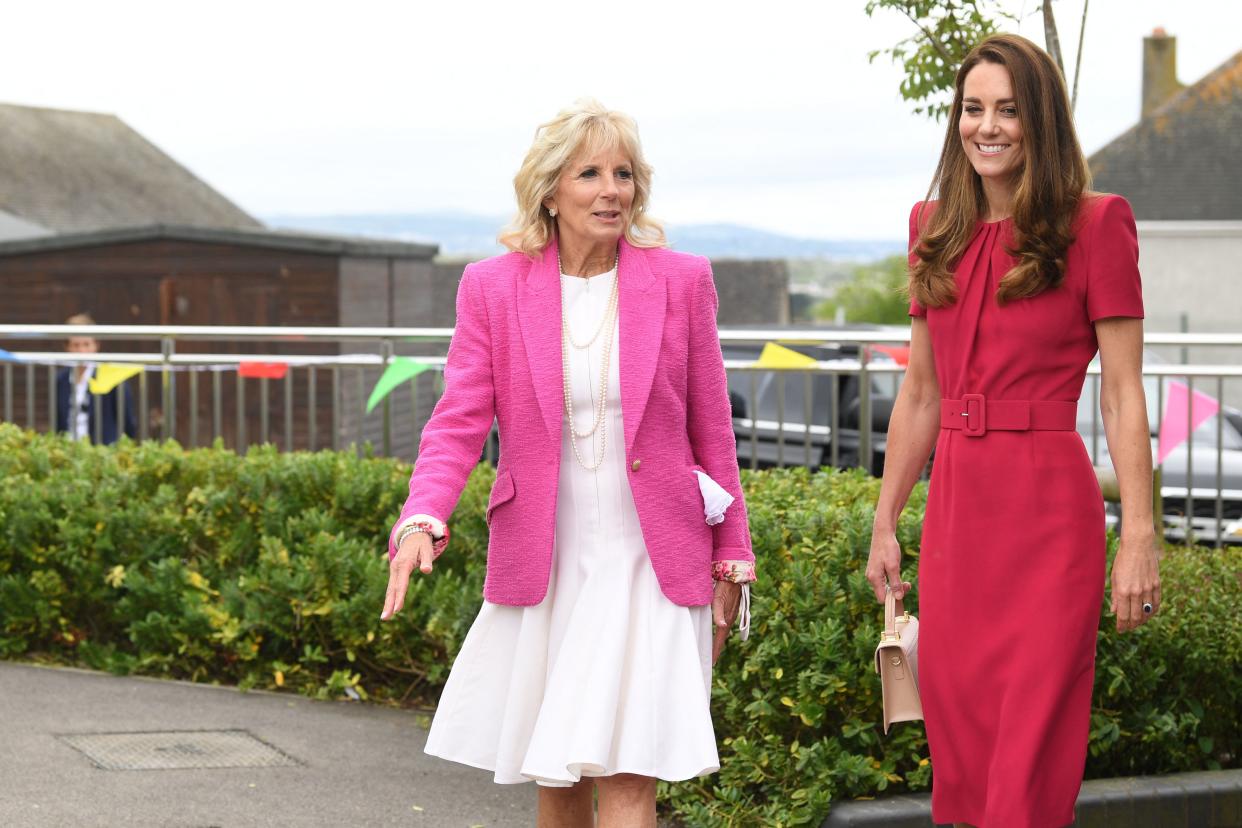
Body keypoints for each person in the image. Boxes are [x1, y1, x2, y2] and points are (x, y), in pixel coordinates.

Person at [380, 99, 755, 827]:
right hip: (550, 561)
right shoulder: (491, 287)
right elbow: (458, 422)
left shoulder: (682, 281)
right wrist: (422, 516)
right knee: (557, 776)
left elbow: (714, 429)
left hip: (656, 556)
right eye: (590, 173)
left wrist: (732, 557)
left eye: (624, 173)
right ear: (551, 190)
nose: (612, 189)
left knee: (628, 772)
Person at [866, 34, 1160, 828]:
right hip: (959, 514)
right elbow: (921, 393)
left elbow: (1123, 397)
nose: (986, 126)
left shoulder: (1098, 224)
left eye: (1008, 110)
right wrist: (886, 521)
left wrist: (1139, 535)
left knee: (1027, 765)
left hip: (1048, 518)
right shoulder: (932, 225)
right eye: (972, 109)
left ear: (1040, 122)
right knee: (963, 763)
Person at [54, 313, 137, 445]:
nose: (81, 351)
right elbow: (58, 422)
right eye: (76, 345)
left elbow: (128, 422)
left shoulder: (111, 377)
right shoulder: (61, 379)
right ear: (67, 347)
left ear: (96, 345)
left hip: (101, 452)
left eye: (86, 345)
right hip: (69, 449)